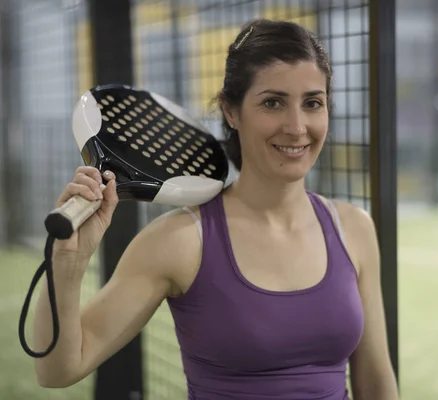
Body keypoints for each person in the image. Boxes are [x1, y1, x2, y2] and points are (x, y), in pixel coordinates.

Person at [32, 19, 398, 400]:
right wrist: (67, 264)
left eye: (312, 103)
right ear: (231, 112)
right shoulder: (179, 241)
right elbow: (58, 368)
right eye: (273, 102)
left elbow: (375, 382)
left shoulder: (353, 228)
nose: (296, 126)